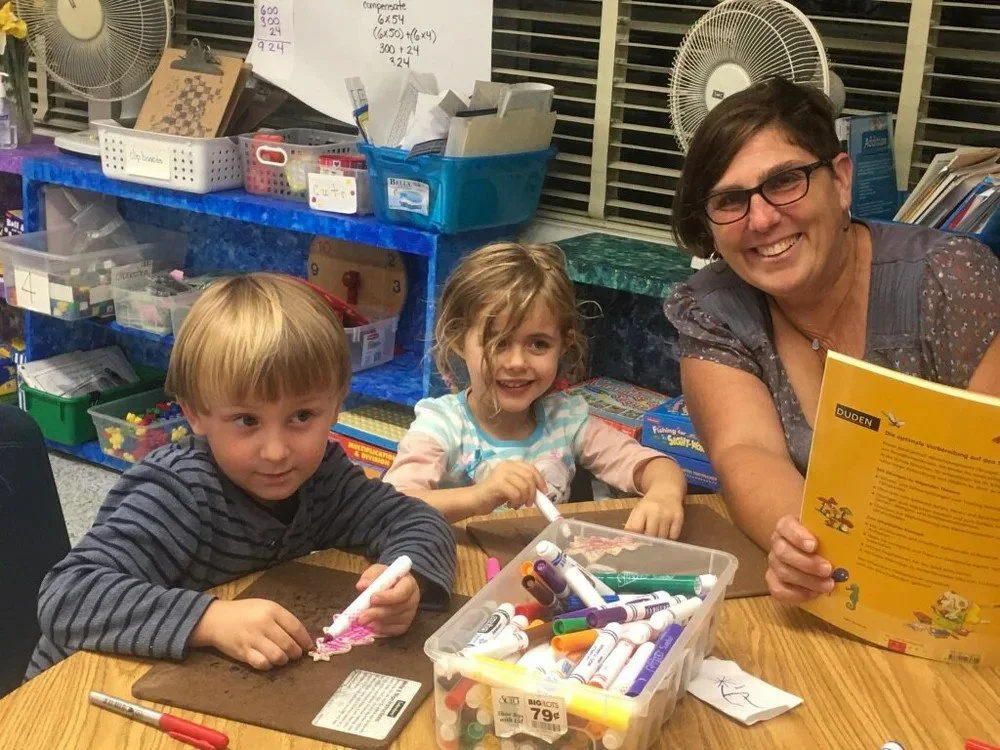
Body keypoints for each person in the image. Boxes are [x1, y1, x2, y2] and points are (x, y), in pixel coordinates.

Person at [664, 77, 999, 604]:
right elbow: (745, 450)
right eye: (730, 200)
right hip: (826, 598)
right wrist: (803, 550)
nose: (762, 218)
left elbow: (984, 469)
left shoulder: (950, 278)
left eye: (785, 181)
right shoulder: (712, 309)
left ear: (841, 180)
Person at [26, 274, 456, 679]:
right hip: (73, 696)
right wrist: (210, 620)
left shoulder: (325, 475)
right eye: (247, 420)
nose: (276, 451)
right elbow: (68, 595)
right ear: (195, 413)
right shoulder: (177, 492)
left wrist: (406, 580)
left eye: (301, 416)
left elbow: (417, 520)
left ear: (337, 404)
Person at [383, 242, 688, 539]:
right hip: (464, 572)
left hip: (546, 573)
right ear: (458, 342)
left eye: (538, 344)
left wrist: (665, 492)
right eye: (498, 343)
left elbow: (655, 465)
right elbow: (394, 506)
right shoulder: (442, 425)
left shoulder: (567, 420)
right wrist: (480, 496)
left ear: (563, 346)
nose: (517, 363)